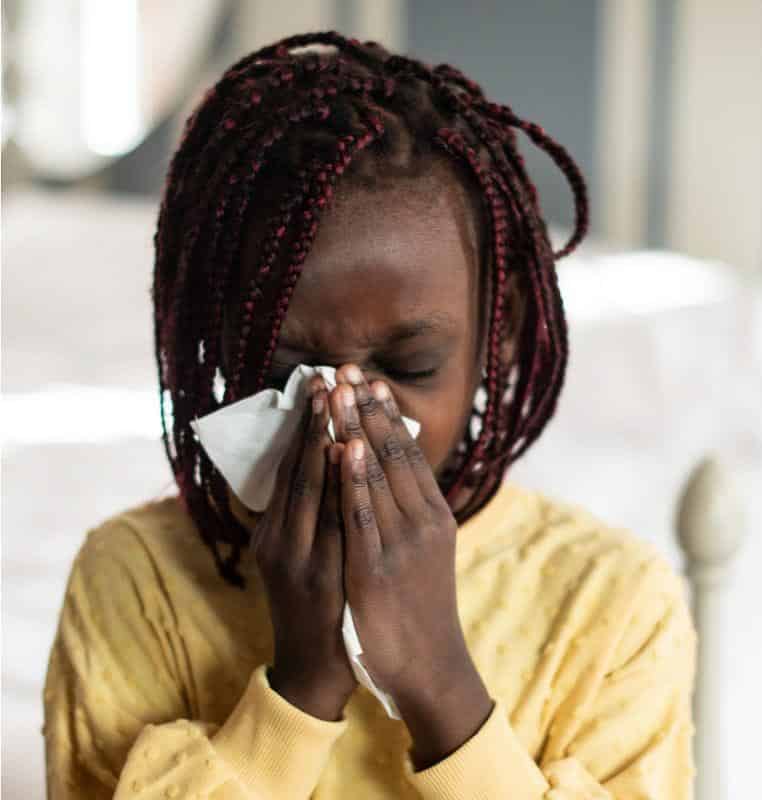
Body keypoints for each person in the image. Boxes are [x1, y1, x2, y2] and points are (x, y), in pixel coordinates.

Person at [43, 32, 696, 799]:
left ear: (502, 332)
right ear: (219, 340)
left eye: (411, 365)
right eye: (289, 369)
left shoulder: (610, 606)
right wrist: (300, 688)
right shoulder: (137, 582)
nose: (346, 412)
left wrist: (437, 681)